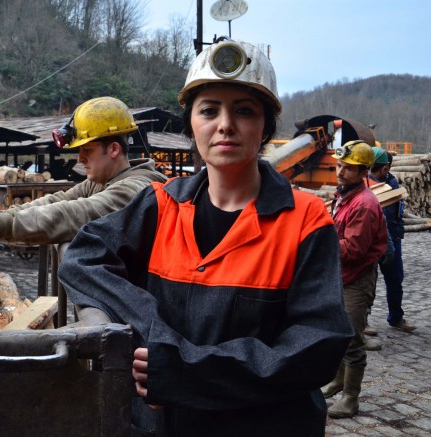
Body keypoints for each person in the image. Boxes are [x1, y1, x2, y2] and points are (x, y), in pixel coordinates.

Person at [57, 39, 353, 436]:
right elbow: (81, 259)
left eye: (244, 111)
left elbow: (318, 346)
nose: (225, 124)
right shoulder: (161, 205)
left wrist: (188, 371)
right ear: (191, 124)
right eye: (209, 110)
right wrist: (156, 334)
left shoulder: (305, 220)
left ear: (265, 126)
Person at [0, 96, 167, 257]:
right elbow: (59, 200)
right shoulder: (100, 182)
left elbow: (76, 213)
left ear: (113, 149)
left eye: (87, 150)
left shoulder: (138, 189)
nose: (80, 158)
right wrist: (3, 215)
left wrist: (1, 225)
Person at [321, 140, 388, 419]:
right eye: (339, 166)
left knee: (352, 338)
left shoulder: (363, 204)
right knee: (338, 333)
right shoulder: (345, 195)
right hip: (341, 275)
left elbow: (353, 250)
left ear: (363, 172)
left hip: (357, 278)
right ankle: (338, 381)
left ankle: (351, 397)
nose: (340, 172)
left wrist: (319, 240)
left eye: (348, 168)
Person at [369, 148, 415, 332]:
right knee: (367, 283)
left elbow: (397, 212)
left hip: (393, 239)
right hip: (372, 242)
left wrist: (397, 233)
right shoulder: (364, 185)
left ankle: (396, 317)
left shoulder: (392, 182)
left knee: (395, 280)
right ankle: (362, 322)